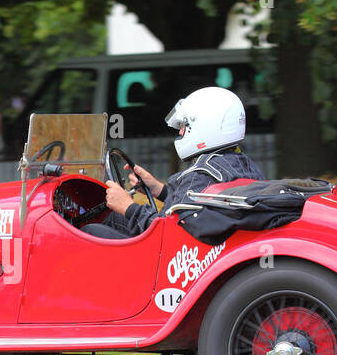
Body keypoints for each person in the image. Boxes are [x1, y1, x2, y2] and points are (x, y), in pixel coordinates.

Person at [84, 86, 266, 240]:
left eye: (184, 127)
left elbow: (165, 232)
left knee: (90, 231)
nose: (180, 133)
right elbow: (198, 207)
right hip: (202, 245)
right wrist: (159, 190)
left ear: (206, 126)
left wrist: (128, 206)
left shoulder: (201, 174)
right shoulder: (247, 166)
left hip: (172, 254)